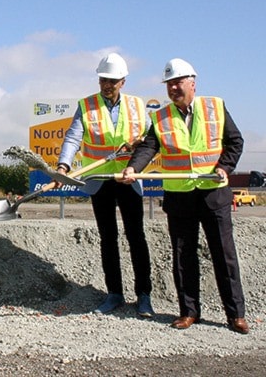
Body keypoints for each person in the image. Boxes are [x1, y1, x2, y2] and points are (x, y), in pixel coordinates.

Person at [121, 58, 249, 334]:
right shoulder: (161, 117)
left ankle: (235, 314)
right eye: (169, 84)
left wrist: (224, 168)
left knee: (224, 256)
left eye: (178, 82)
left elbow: (235, 142)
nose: (173, 88)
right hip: (179, 197)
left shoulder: (214, 106)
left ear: (193, 83)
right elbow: (149, 147)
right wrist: (133, 167)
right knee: (182, 257)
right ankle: (189, 312)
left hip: (213, 194)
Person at [56, 53, 154, 317]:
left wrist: (139, 142)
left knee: (137, 238)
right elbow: (74, 136)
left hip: (128, 178)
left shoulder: (136, 105)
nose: (106, 84)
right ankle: (114, 294)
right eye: (102, 79)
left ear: (123, 81)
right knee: (107, 239)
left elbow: (151, 136)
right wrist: (63, 166)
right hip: (99, 181)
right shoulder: (86, 105)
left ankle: (144, 296)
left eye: (111, 80)